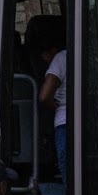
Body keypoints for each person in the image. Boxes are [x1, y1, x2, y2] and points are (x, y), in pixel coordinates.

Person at [38, 36, 68, 184]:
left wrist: (54, 106)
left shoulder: (60, 57)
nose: (44, 59)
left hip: (64, 122)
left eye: (45, 53)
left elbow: (44, 96)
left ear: (54, 50)